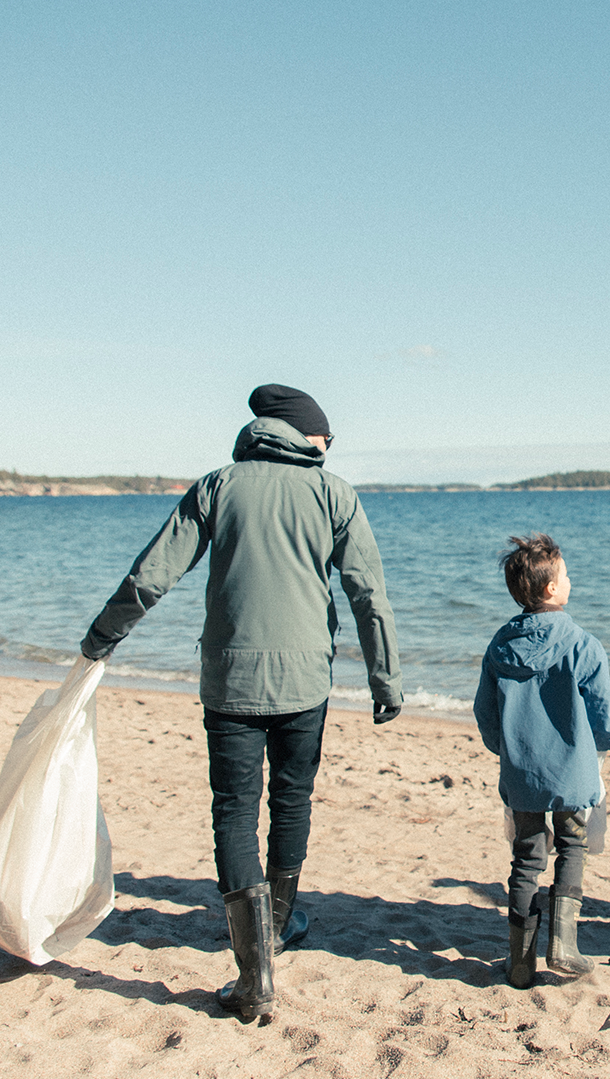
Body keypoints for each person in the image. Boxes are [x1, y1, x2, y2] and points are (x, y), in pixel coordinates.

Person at [78, 384, 402, 1025]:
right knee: (291, 801)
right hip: (305, 683)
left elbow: (152, 575)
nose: (330, 446)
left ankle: (254, 973)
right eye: (328, 437)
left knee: (233, 810)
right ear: (308, 436)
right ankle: (275, 928)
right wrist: (385, 680)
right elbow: (368, 593)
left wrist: (101, 638)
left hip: (230, 682)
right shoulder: (334, 493)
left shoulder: (217, 486)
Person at [474, 533, 610, 990]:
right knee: (572, 846)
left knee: (526, 859)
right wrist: (608, 742)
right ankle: (564, 945)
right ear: (552, 588)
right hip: (573, 772)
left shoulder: (500, 646)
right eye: (566, 575)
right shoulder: (583, 644)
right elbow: (601, 711)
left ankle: (520, 962)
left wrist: (508, 751)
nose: (570, 580)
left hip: (523, 774)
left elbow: (485, 712)